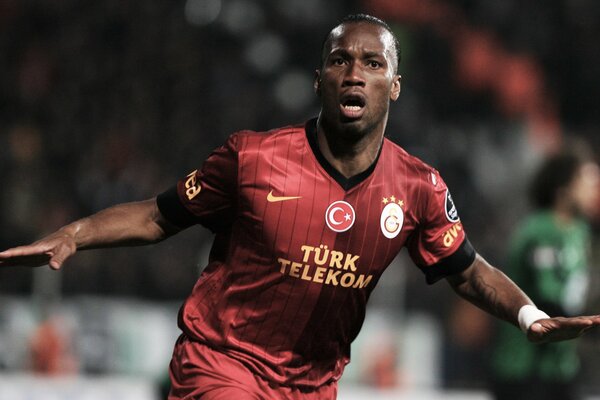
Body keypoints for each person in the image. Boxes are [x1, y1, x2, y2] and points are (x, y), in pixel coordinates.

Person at [1, 14, 599, 400]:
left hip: (311, 386)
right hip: (222, 364)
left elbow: (467, 271)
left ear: (394, 86)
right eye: (340, 60)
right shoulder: (252, 158)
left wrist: (529, 317)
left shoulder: (418, 187)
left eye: (372, 64)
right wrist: (74, 234)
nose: (354, 74)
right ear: (319, 80)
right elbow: (159, 216)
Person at [491, 150, 600, 400]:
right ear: (563, 190)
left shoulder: (580, 231)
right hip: (524, 369)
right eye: (587, 182)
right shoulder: (540, 231)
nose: (594, 191)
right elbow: (549, 303)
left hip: (560, 365)